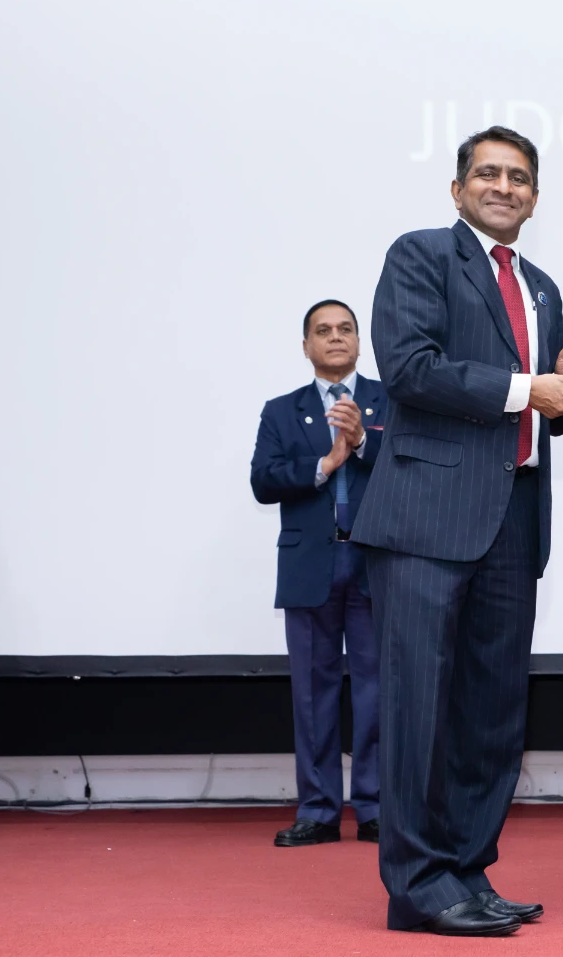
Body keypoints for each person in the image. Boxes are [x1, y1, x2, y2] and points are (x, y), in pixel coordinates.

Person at [352, 126, 563, 937]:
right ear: (457, 190)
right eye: (487, 173)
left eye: (518, 177)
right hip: (426, 514)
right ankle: (417, 884)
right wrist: (528, 388)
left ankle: (465, 870)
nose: (503, 186)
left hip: (512, 515)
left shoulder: (542, 287)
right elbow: (409, 368)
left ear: (534, 197)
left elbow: (539, 408)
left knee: (491, 713)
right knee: (418, 707)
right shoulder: (420, 255)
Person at [250, 299, 384, 847]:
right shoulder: (282, 410)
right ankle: (319, 810)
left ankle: (377, 807)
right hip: (311, 566)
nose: (335, 337)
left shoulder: (390, 400)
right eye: (323, 330)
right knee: (312, 693)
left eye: (345, 329)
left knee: (379, 693)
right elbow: (263, 480)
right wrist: (325, 464)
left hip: (376, 562)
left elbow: (414, 466)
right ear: (306, 346)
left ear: (359, 342)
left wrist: (363, 441)